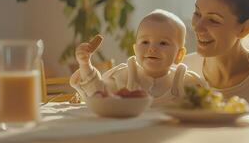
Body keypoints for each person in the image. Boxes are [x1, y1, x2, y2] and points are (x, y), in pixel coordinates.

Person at [70, 9, 208, 105]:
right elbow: (97, 93)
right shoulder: (124, 76)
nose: (152, 48)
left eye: (163, 43)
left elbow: (206, 106)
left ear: (179, 55)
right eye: (145, 42)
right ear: (135, 50)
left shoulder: (186, 83)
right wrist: (85, 64)